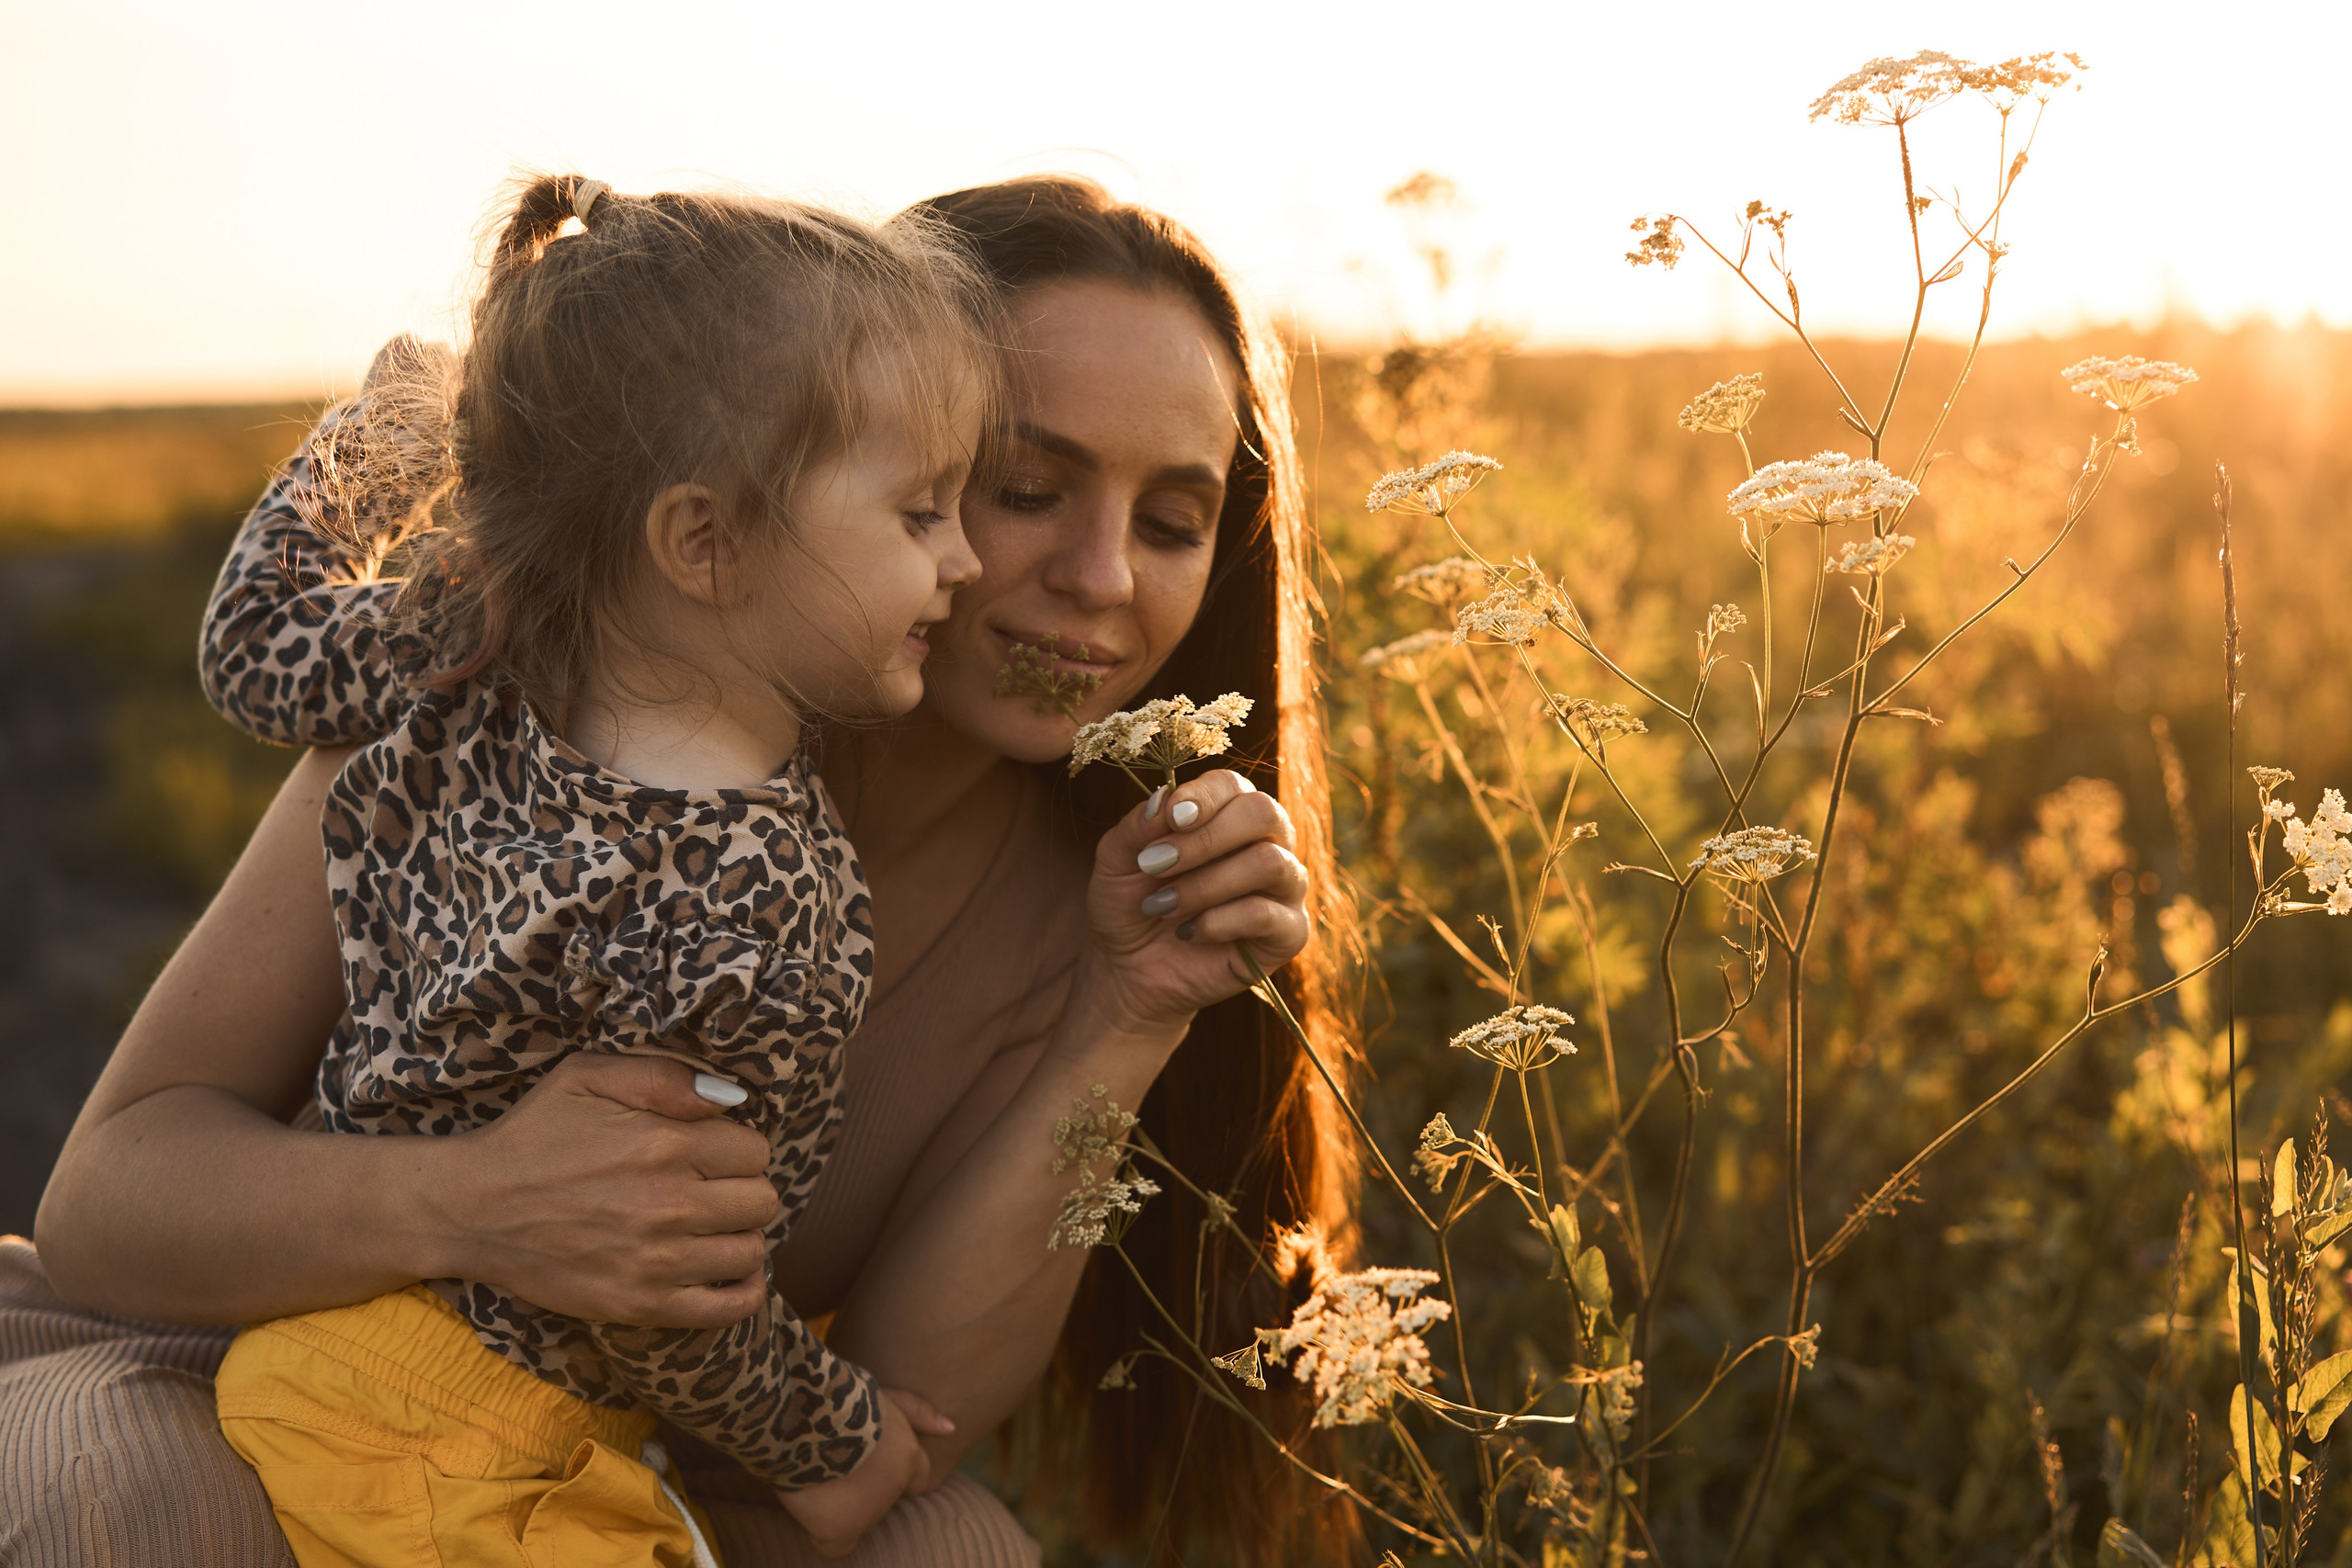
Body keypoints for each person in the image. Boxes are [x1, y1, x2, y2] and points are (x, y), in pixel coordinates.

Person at [16, 176, 1358, 1568]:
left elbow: (906, 1418)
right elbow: (108, 1203)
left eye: (1172, 523)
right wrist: (476, 1200)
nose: (1101, 579)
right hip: (227, 1349)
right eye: (1017, 488)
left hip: (622, 1443)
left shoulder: (1089, 909)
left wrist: (1122, 1018)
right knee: (150, 1520)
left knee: (955, 1551)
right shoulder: (525, 693)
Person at [204, 172, 998, 1562]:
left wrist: (385, 437)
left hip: (312, 1341)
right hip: (485, 1451)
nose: (968, 560)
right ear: (705, 541)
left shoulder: (470, 651)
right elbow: (657, 1288)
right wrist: (835, 1444)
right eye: (923, 513)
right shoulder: (760, 914)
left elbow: (255, 644)